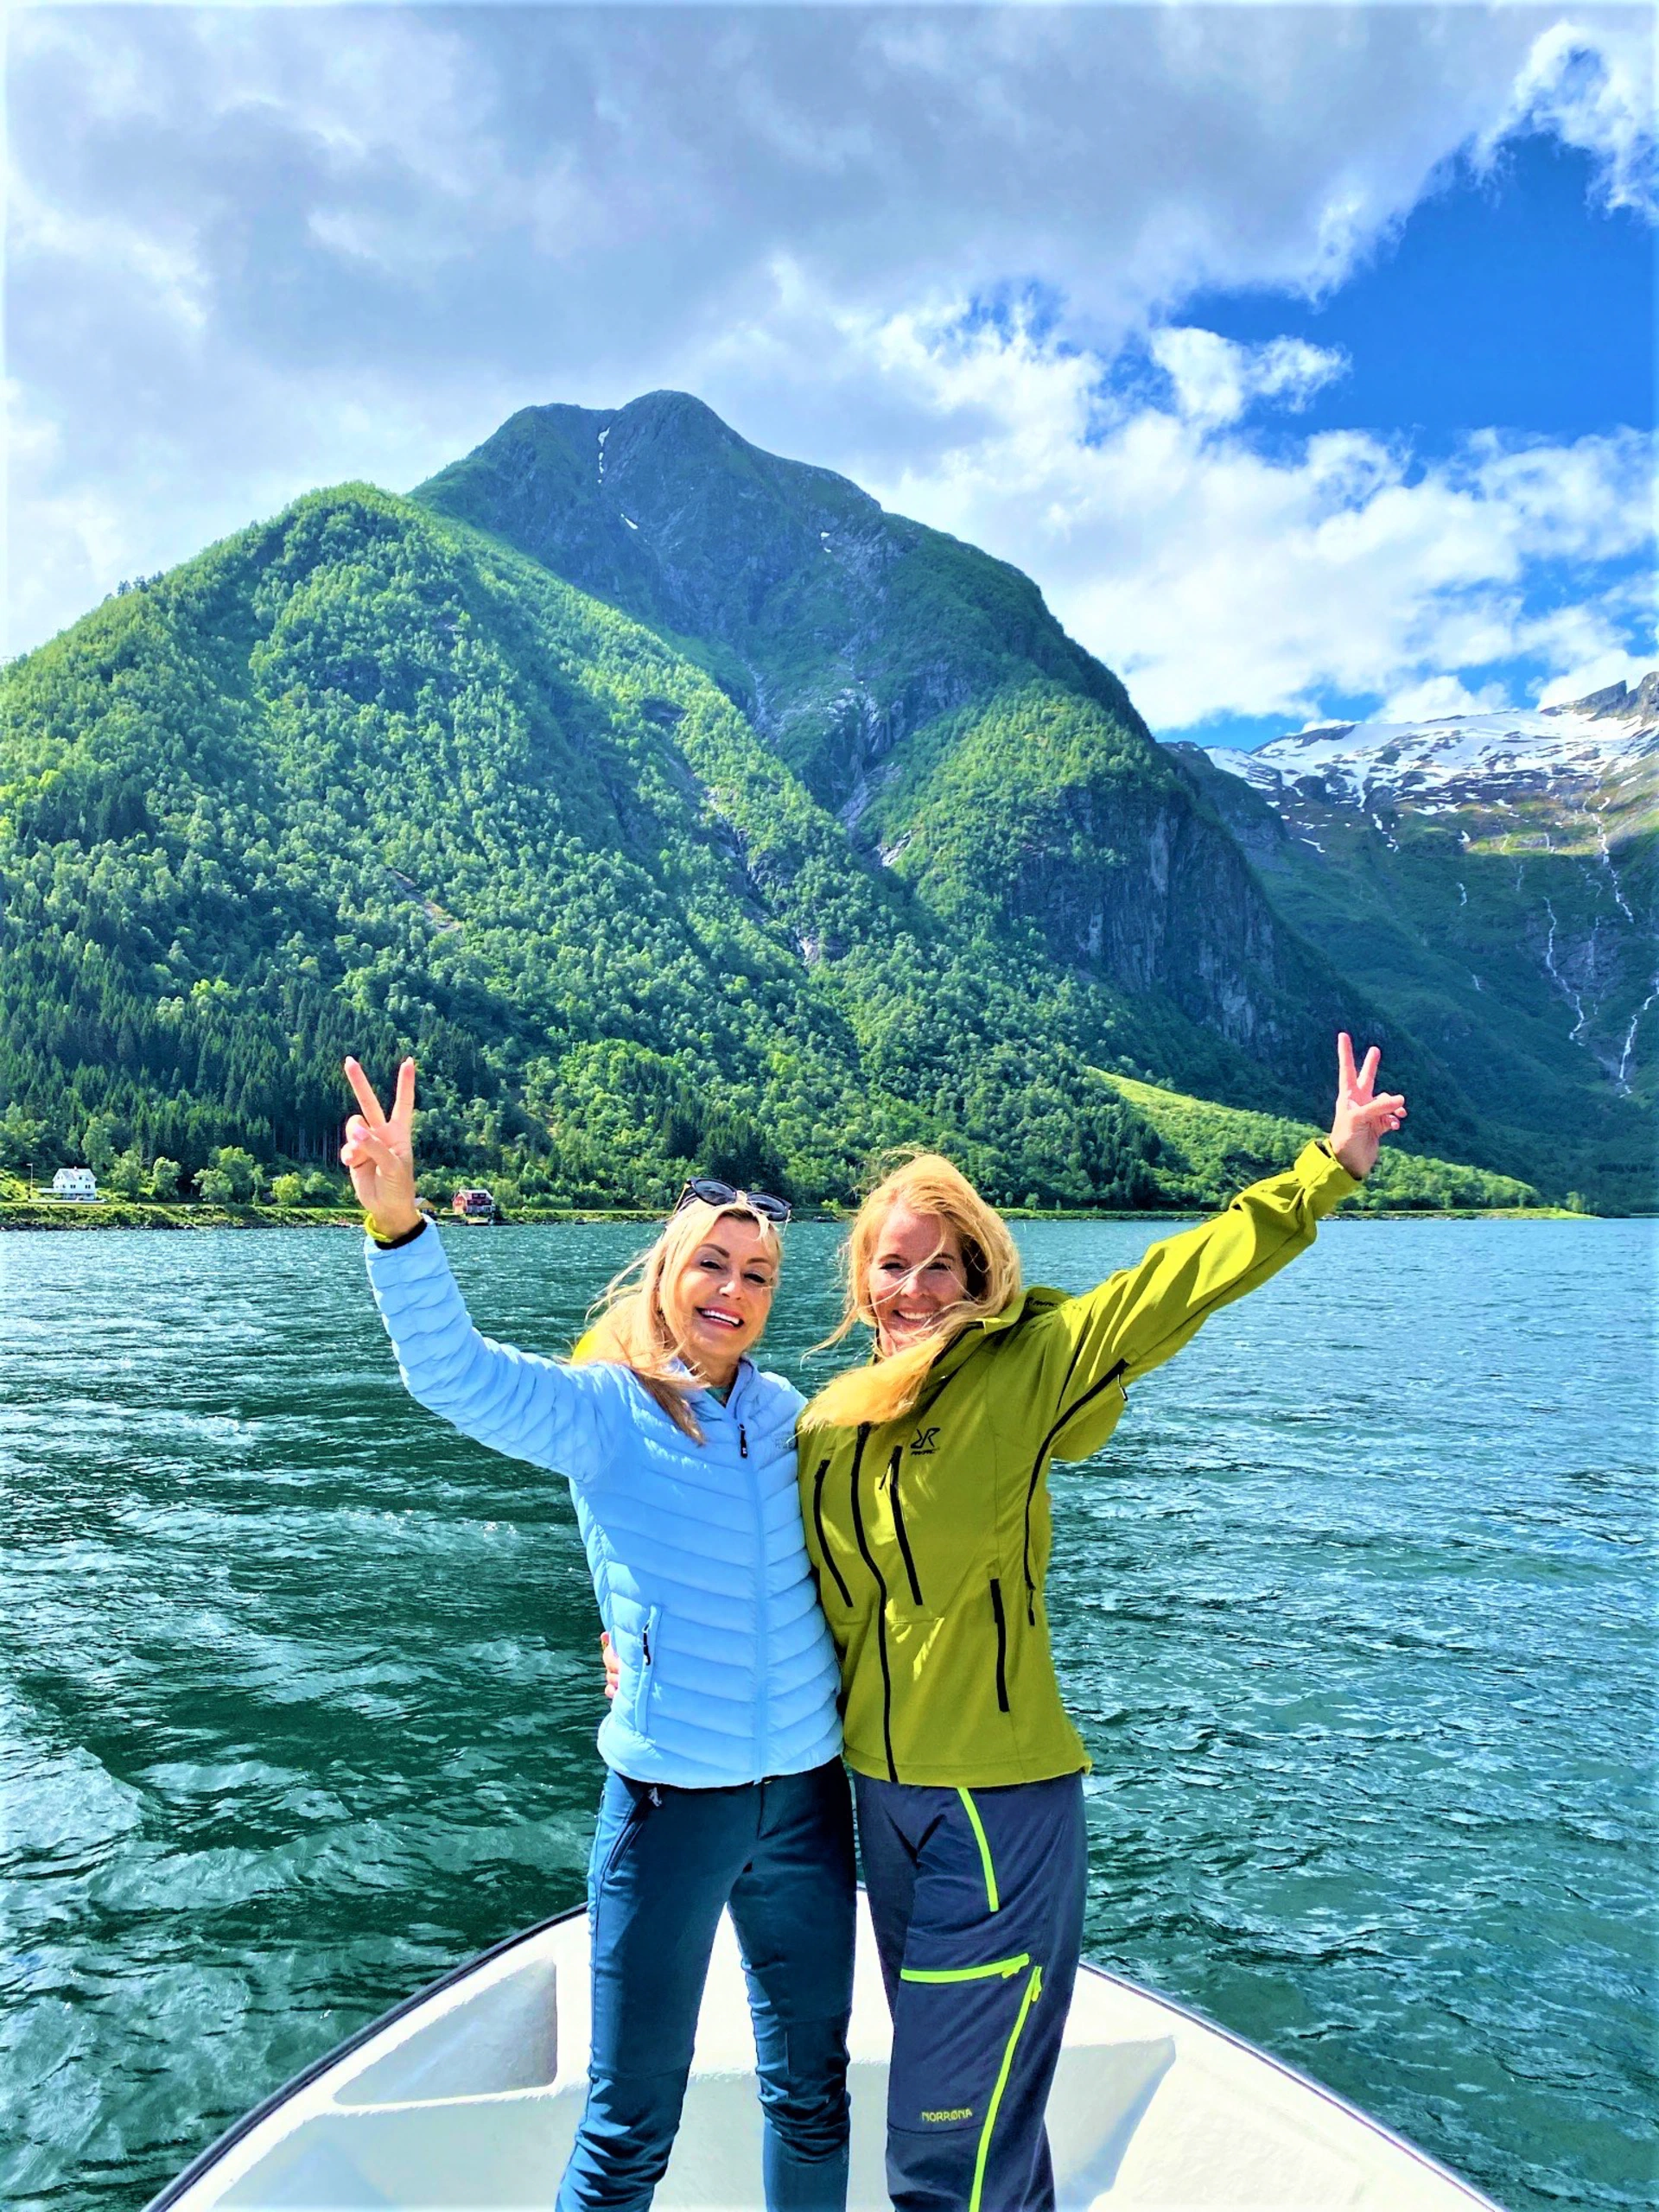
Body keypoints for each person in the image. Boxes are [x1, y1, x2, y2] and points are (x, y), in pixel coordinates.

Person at [795, 1033, 1406, 2212]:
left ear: (978, 1274)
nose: (912, 1291)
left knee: (939, 2150)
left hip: (999, 1808)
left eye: (938, 1267)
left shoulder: (1030, 1369)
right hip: (875, 1801)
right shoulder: (828, 1424)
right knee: (978, 2135)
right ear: (861, 1279)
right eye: (891, 1267)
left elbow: (1180, 1281)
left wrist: (1329, 1163)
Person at [339, 1055, 854, 2212]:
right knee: (628, 2130)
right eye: (713, 1265)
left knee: (814, 2091)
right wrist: (397, 1220)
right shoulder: (605, 1409)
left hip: (810, 1809)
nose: (734, 1289)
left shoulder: (791, 1418)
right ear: (668, 1275)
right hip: (671, 1809)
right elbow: (453, 1376)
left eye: (759, 1274)